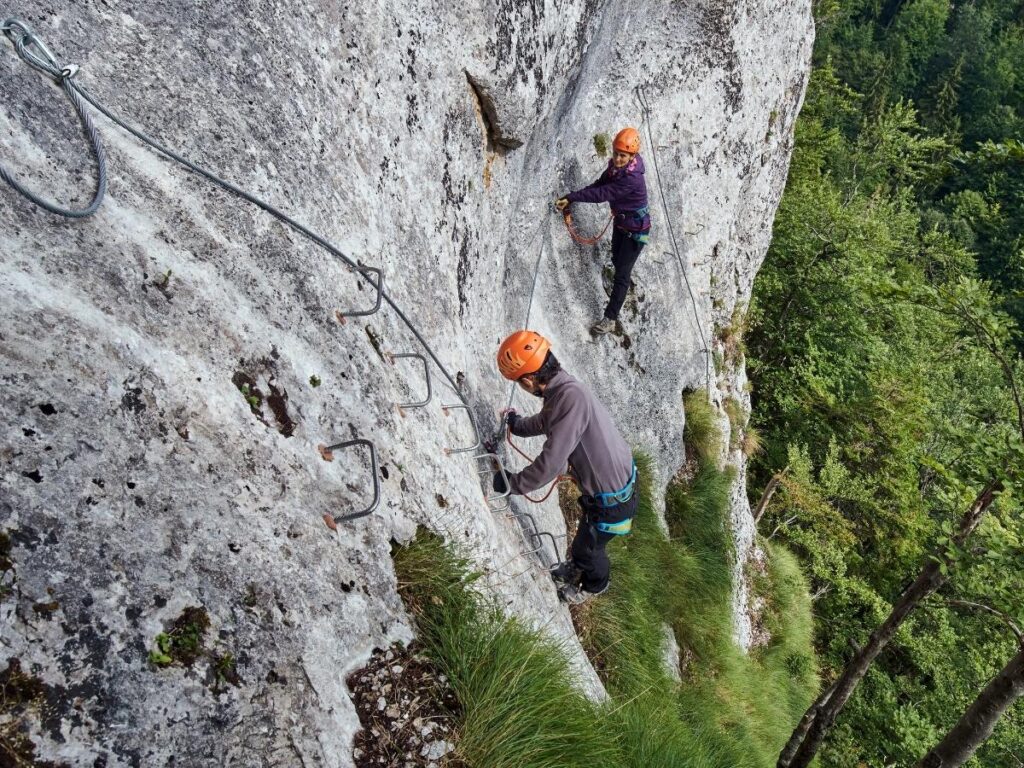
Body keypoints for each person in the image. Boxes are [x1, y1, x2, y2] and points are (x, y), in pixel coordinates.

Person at [493, 330, 637, 604]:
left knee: (590, 549)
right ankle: (576, 567)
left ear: (528, 380)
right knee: (585, 540)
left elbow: (552, 464)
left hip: (613, 501)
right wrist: (517, 424)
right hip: (614, 488)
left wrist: (513, 484)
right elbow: (548, 421)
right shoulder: (564, 388)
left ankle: (594, 586)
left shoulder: (568, 398)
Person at [556, 127, 651, 336]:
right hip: (621, 223)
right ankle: (620, 287)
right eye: (616, 153)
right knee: (617, 262)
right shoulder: (615, 168)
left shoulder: (632, 178)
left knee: (622, 275)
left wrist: (572, 197)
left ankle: (610, 318)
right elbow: (600, 184)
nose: (617, 158)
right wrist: (573, 195)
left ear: (632, 156)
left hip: (636, 231)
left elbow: (602, 194)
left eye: (622, 155)